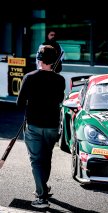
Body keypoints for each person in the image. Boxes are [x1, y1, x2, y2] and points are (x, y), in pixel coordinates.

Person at [17, 45, 66, 208]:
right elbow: (59, 100)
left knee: (36, 160)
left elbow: (19, 104)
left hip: (34, 125)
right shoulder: (60, 80)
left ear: (39, 59)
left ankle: (42, 197)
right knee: (46, 158)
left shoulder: (29, 77)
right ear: (53, 61)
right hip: (52, 126)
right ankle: (43, 186)